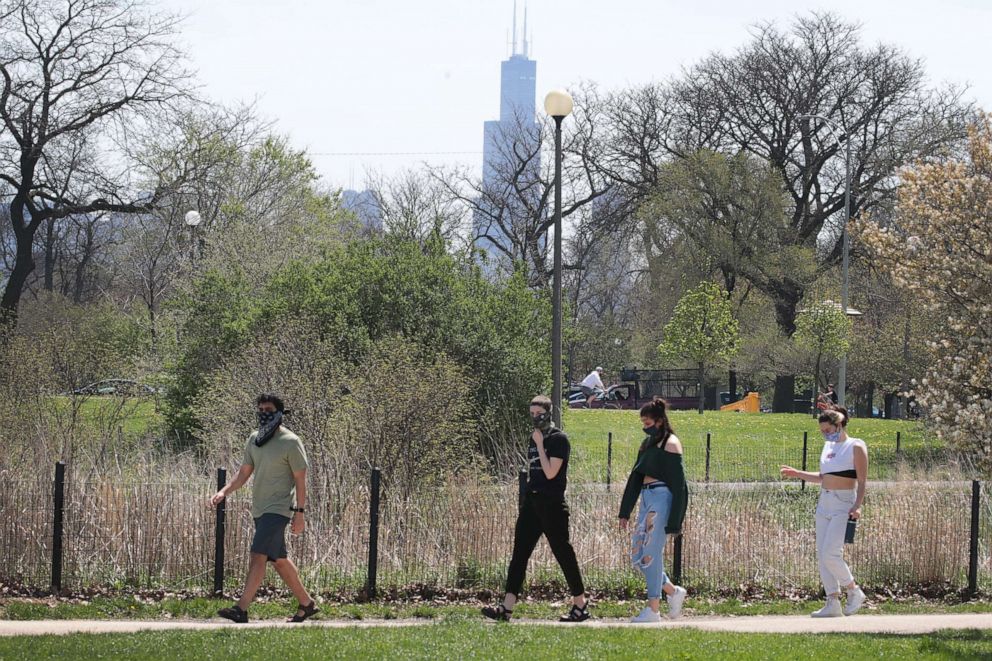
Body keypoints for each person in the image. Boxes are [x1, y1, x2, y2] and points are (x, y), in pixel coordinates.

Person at [210, 393, 318, 624]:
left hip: (278, 510)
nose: (263, 413)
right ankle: (306, 604)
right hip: (259, 508)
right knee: (278, 560)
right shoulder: (254, 439)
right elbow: (244, 473)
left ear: (279, 413)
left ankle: (241, 609)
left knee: (258, 555)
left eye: (268, 409)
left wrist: (300, 514)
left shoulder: (291, 441)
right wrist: (224, 491)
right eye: (260, 409)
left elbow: (301, 480)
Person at [481, 395, 589, 623]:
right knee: (519, 554)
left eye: (538, 413)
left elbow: (551, 473)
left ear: (549, 412)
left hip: (552, 504)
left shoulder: (559, 439)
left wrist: (540, 444)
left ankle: (580, 605)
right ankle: (506, 608)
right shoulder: (534, 438)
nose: (535, 418)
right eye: (531, 414)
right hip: (533, 503)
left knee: (563, 554)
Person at [780, 407, 868, 618]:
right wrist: (797, 473)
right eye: (822, 431)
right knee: (822, 554)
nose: (826, 434)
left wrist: (857, 505)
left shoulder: (856, 446)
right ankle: (832, 601)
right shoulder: (828, 446)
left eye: (828, 429)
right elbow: (823, 476)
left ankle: (853, 590)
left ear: (839, 425)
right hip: (825, 502)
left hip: (843, 502)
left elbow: (863, 481)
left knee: (831, 552)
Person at [617, 397, 688, 622]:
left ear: (658, 421)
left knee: (651, 553)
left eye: (647, 422)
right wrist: (624, 511)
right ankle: (673, 592)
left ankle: (653, 609)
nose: (644, 427)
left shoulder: (671, 443)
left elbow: (680, 486)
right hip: (647, 498)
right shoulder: (646, 445)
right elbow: (635, 478)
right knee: (639, 553)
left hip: (661, 498)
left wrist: (675, 520)